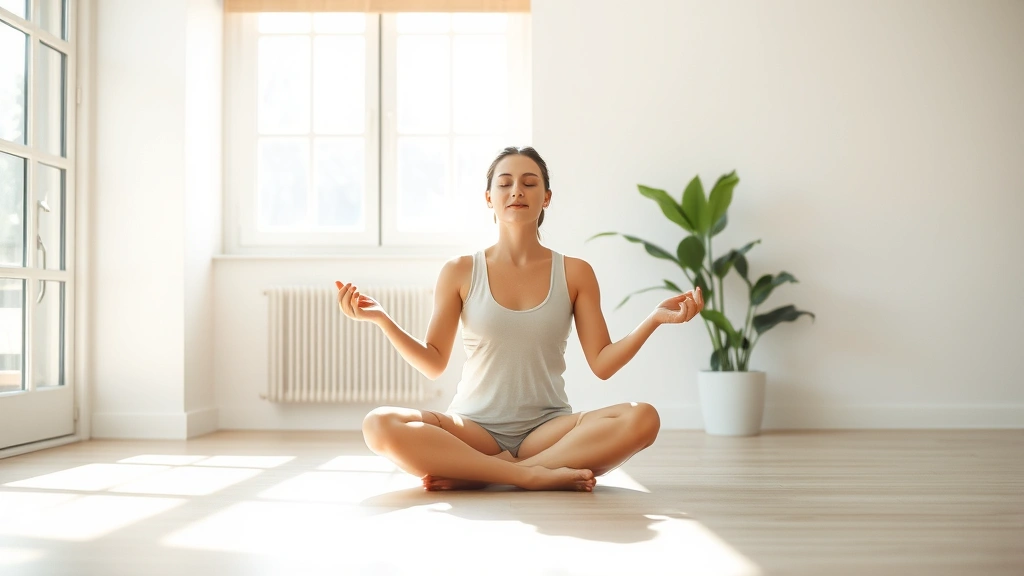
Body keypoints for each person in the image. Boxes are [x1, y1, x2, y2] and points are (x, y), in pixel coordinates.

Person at [335, 146, 704, 492]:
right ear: (489, 198)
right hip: (472, 428)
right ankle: (527, 475)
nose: (517, 191)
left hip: (547, 430)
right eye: (505, 183)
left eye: (529, 183)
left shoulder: (575, 272)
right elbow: (434, 362)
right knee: (378, 424)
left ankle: (482, 472)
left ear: (546, 197)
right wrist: (382, 319)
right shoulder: (459, 271)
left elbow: (602, 363)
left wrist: (654, 320)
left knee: (643, 418)